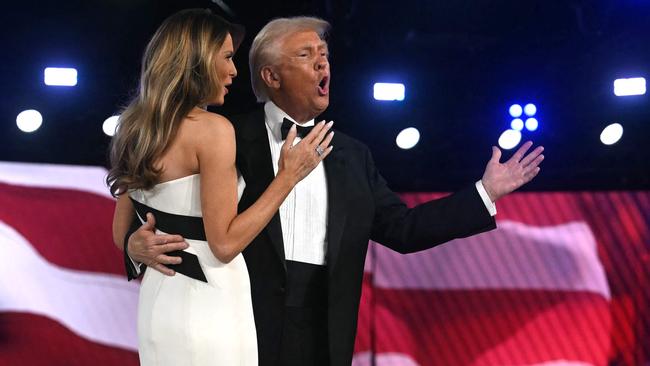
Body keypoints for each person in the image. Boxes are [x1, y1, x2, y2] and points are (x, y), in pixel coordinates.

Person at [123, 16, 544, 366]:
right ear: (271, 76)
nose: (323, 66)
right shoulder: (228, 134)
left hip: (325, 329)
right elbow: (163, 200)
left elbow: (403, 229)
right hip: (243, 319)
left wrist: (484, 193)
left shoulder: (353, 155)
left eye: (325, 57)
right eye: (307, 56)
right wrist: (132, 246)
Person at [108, 10, 333, 366]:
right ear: (196, 60)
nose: (234, 72)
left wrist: (137, 245)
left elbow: (122, 235)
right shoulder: (212, 130)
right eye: (227, 58)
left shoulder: (133, 128)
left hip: (158, 305)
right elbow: (225, 244)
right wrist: (288, 177)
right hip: (209, 304)